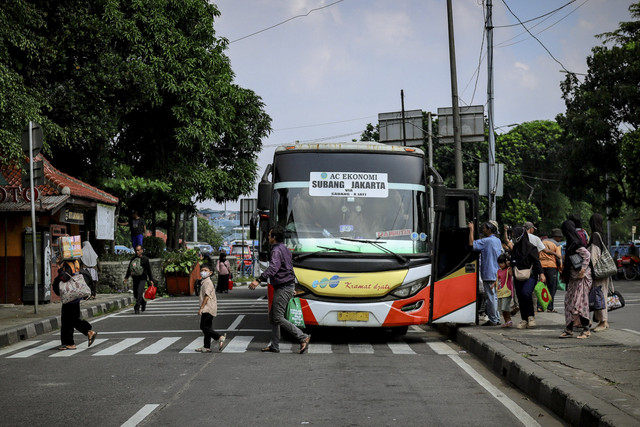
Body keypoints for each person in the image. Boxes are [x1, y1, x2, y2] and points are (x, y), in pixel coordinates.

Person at [249, 225, 311, 354]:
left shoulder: (276, 251)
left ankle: (302, 336)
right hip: (286, 286)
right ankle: (275, 346)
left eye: (270, 234)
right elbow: (289, 267)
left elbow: (273, 268)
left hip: (283, 287)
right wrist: (292, 286)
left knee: (277, 317)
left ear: (274, 237)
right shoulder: (285, 249)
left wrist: (258, 280)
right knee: (273, 317)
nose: (268, 237)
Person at [52, 258, 97, 350]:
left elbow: (64, 278)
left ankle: (88, 332)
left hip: (70, 298)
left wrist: (59, 268)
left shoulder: (68, 265)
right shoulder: (75, 263)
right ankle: (68, 343)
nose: (57, 258)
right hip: (74, 297)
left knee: (71, 320)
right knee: (67, 321)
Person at [560, 220, 593, 339]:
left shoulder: (576, 244)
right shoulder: (571, 243)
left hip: (581, 278)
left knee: (579, 303)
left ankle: (586, 329)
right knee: (569, 302)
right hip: (573, 278)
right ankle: (569, 329)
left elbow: (587, 255)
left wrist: (583, 270)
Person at [510, 226, 545, 329]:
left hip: (530, 275)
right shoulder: (515, 248)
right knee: (520, 296)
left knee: (526, 293)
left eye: (515, 236)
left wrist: (541, 274)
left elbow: (536, 262)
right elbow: (512, 260)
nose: (514, 238)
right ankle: (524, 319)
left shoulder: (531, 248)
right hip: (517, 275)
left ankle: (531, 317)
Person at [468, 220, 502, 326]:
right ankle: (496, 318)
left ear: (489, 229)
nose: (483, 229)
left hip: (488, 272)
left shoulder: (486, 241)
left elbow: (471, 244)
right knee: (494, 297)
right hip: (496, 271)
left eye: (484, 228)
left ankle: (493, 319)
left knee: (491, 297)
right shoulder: (497, 241)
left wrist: (471, 230)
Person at [195, 264, 226, 352]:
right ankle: (206, 346)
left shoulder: (208, 282)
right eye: (202, 270)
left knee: (203, 326)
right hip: (209, 307)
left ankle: (219, 337)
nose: (203, 272)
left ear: (210, 273)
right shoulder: (205, 281)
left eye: (205, 270)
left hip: (208, 308)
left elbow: (207, 296)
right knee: (207, 328)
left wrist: (201, 308)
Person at [588, 213, 611, 332]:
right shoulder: (603, 235)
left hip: (598, 272)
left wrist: (592, 270)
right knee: (602, 295)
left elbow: (594, 255)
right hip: (605, 271)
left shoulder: (595, 236)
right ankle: (602, 321)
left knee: (599, 296)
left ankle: (603, 321)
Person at [124, 245, 155, 314]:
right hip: (135, 278)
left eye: (138, 250)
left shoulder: (145, 259)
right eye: (136, 250)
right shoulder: (133, 259)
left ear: (142, 250)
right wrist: (126, 277)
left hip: (142, 279)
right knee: (135, 294)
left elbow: (149, 270)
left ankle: (137, 307)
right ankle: (143, 303)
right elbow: (129, 268)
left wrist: (151, 279)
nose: (137, 252)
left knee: (139, 292)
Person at [539, 229, 563, 313]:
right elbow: (558, 258)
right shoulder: (557, 244)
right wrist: (560, 270)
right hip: (551, 267)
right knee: (552, 288)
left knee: (542, 287)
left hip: (541, 266)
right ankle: (550, 307)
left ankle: (540, 307)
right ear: (557, 237)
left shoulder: (542, 242)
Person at [496, 253, 514, 328]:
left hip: (507, 291)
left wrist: (510, 265)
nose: (500, 265)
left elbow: (511, 274)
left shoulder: (508, 270)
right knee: (502, 309)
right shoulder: (499, 271)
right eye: (499, 263)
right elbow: (498, 279)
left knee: (505, 307)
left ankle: (509, 320)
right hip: (500, 291)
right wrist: (494, 284)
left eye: (502, 263)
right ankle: (506, 321)